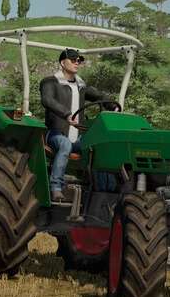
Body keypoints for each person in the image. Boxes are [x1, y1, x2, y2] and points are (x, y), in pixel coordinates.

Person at [39, 48, 116, 202]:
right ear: (63, 63)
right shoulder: (50, 82)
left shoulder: (81, 86)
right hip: (56, 133)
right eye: (73, 60)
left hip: (78, 137)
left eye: (79, 60)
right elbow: (47, 100)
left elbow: (99, 96)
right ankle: (56, 187)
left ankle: (104, 191)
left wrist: (113, 106)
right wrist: (66, 114)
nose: (77, 63)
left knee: (98, 145)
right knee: (65, 145)